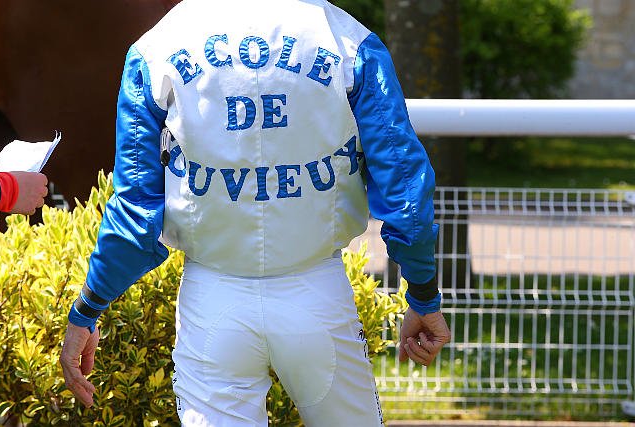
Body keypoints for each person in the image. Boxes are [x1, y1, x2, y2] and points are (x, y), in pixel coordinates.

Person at [60, 0, 451, 425]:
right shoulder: (350, 41)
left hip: (211, 302)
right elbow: (405, 189)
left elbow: (136, 215)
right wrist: (423, 294)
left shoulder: (154, 50)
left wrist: (88, 309)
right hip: (318, 292)